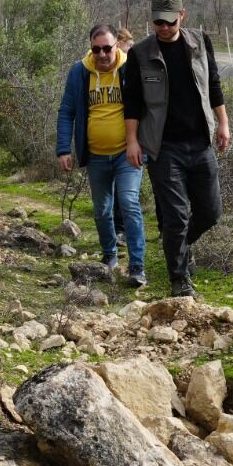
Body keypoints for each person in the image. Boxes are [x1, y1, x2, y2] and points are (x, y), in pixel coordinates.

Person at [121, 0, 230, 297]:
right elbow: (132, 103)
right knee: (176, 216)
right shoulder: (141, 54)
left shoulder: (199, 42)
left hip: (200, 143)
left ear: (182, 16)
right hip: (163, 147)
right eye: (159, 22)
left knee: (210, 213)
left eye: (170, 21)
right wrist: (132, 141)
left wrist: (223, 123)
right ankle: (179, 280)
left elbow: (213, 84)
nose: (165, 28)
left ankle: (178, 245)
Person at [56, 24, 146, 287]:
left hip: (126, 153)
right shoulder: (80, 72)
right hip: (95, 154)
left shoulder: (131, 69)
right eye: (97, 49)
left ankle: (137, 266)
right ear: (91, 49)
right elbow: (66, 111)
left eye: (107, 48)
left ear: (116, 46)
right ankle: (110, 256)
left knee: (129, 203)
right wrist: (63, 148)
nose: (102, 54)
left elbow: (147, 108)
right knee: (102, 210)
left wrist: (143, 144)